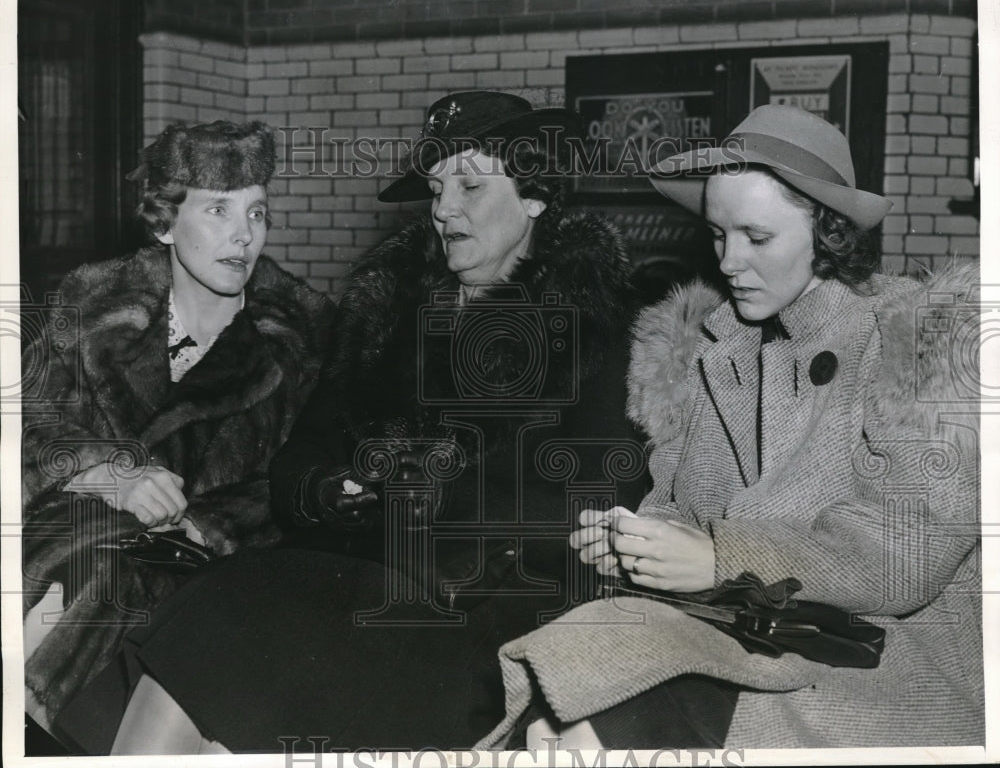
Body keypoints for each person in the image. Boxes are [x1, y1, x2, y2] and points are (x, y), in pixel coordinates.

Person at [100, 91, 649, 753]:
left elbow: (594, 507)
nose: (444, 209)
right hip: (356, 581)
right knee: (218, 617)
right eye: (437, 187)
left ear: (534, 195)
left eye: (470, 185)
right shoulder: (387, 312)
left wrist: (428, 495)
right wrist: (328, 489)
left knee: (230, 623)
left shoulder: (598, 329)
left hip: (483, 621)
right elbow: (299, 460)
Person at [476, 104, 982, 749]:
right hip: (752, 633)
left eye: (757, 237)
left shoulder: (920, 345)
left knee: (599, 720)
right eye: (718, 236)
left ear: (830, 231)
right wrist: (639, 547)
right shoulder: (714, 352)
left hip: (889, 659)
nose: (730, 262)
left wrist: (719, 555)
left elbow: (902, 559)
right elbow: (684, 508)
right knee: (551, 712)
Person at [21, 120, 334, 736]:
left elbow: (302, 480)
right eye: (219, 210)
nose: (243, 236)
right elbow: (27, 426)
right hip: (59, 561)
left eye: (257, 213)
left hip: (198, 593)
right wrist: (98, 469)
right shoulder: (92, 305)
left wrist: (206, 523)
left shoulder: (303, 337)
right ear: (165, 222)